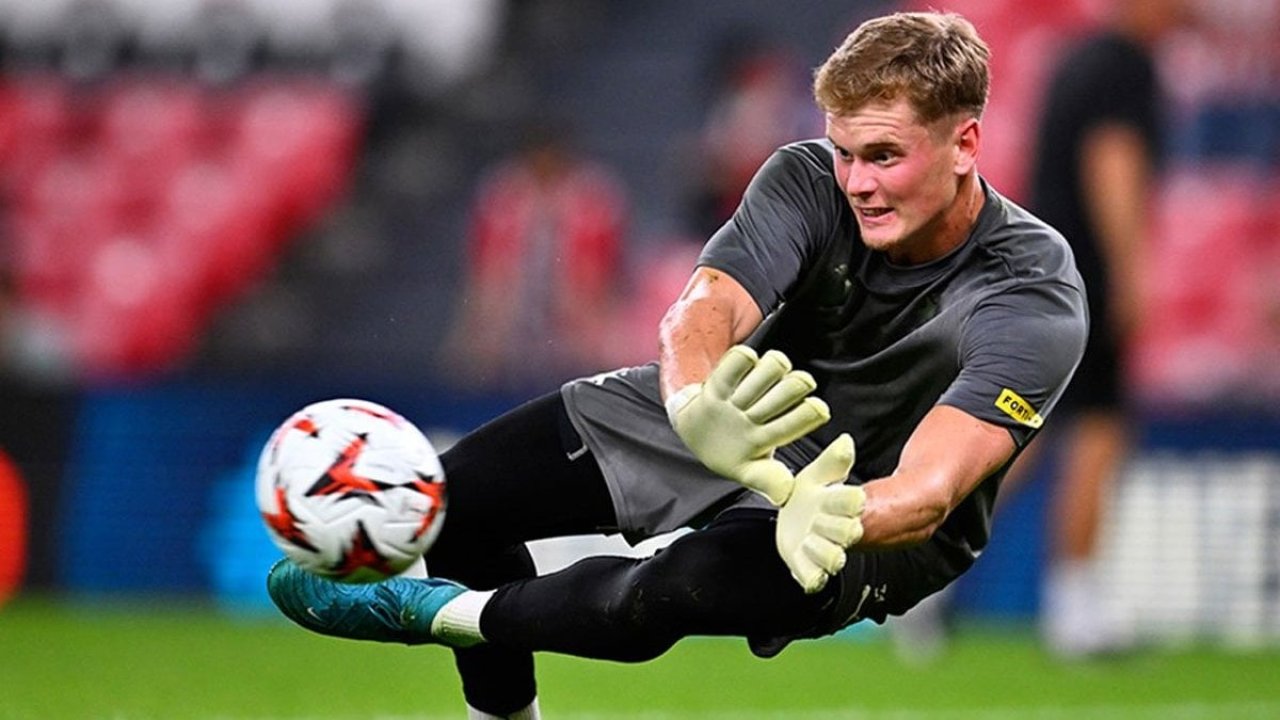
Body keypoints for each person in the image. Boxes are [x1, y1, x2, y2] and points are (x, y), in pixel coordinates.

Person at [267, 12, 1087, 719]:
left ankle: (434, 614)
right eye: (845, 153)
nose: (858, 183)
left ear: (965, 143)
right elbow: (707, 309)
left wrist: (842, 514)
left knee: (666, 593)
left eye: (883, 155)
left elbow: (932, 488)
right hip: (739, 415)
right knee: (456, 505)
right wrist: (695, 402)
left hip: (855, 508)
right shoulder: (809, 180)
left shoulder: (1032, 291)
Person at [1026, 0, 1186, 657]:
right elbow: (1111, 161)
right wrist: (1129, 268)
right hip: (1083, 274)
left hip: (1041, 270)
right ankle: (1074, 605)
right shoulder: (1124, 65)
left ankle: (922, 573)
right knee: (1098, 428)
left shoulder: (1079, 60)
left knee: (1020, 430)